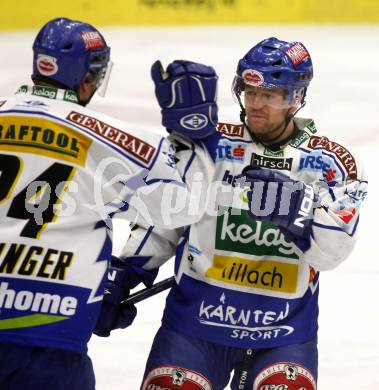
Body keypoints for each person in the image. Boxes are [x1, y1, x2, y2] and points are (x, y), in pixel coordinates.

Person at [95, 37, 368, 389]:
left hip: (283, 332)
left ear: (296, 98)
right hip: (194, 324)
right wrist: (126, 272)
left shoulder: (330, 163)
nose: (255, 104)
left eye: (269, 95)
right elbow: (164, 221)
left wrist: (299, 215)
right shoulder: (211, 147)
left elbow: (331, 254)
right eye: (249, 92)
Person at [0, 17, 220, 390]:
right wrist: (197, 137)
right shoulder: (114, 141)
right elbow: (182, 208)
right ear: (89, 76)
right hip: (52, 339)